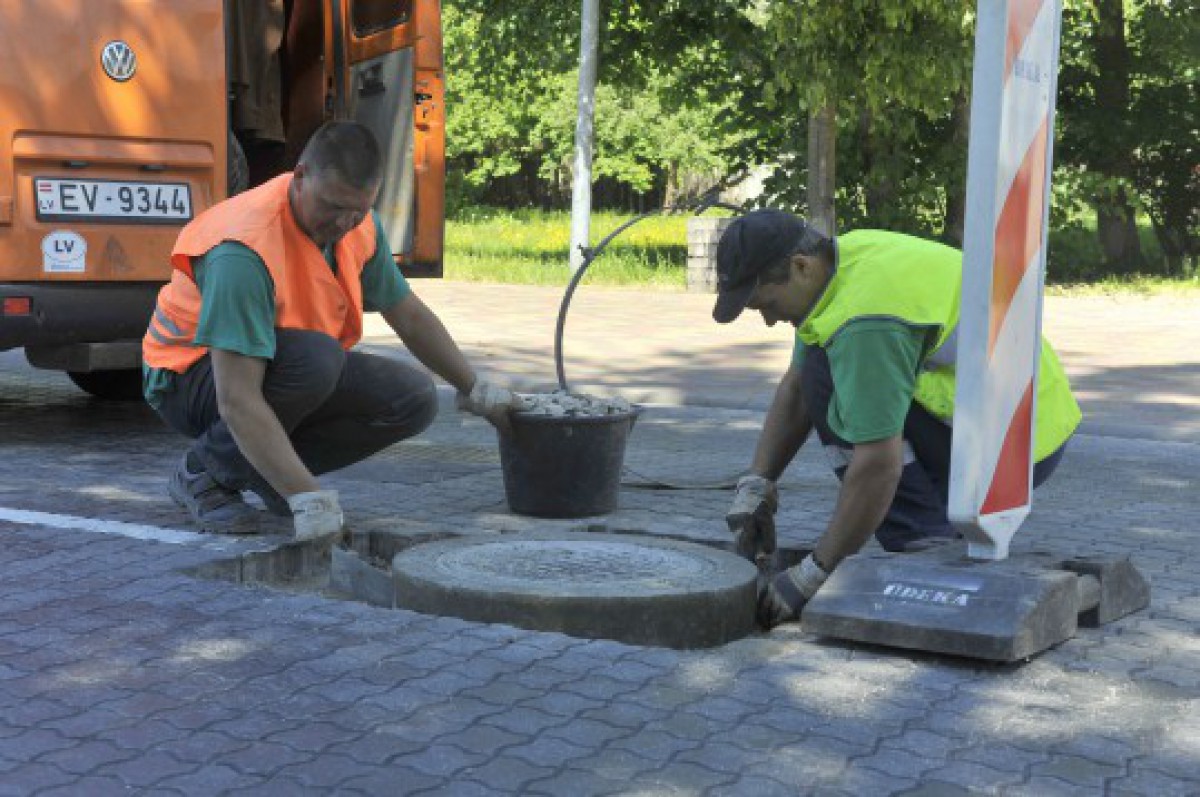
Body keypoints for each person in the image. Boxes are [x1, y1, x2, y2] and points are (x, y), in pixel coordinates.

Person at [142, 121, 525, 540]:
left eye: (356, 211)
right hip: (187, 376)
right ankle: (203, 473)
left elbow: (409, 316)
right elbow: (236, 400)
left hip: (280, 364)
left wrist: (475, 388)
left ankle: (271, 475)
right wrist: (309, 498)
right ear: (301, 176)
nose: (343, 222)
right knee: (317, 360)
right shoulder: (243, 249)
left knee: (411, 397)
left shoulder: (361, 227)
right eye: (332, 206)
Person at [714, 209, 1081, 629]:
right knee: (821, 369)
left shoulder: (866, 320)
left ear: (800, 266)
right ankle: (927, 524)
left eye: (768, 303)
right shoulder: (841, 266)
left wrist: (815, 572)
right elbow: (795, 389)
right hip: (1014, 421)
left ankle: (924, 544)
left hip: (1015, 448)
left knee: (834, 383)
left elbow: (878, 465)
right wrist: (757, 483)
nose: (768, 319)